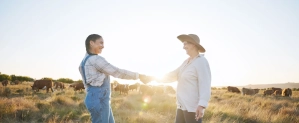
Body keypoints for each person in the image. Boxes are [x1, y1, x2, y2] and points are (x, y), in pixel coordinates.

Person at [79, 34, 151, 123]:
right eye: (100, 43)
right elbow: (117, 72)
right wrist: (138, 76)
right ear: (91, 43)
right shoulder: (96, 59)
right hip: (99, 99)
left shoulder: (83, 61)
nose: (103, 46)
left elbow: (87, 84)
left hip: (95, 98)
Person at [157, 34, 211, 123]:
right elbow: (173, 75)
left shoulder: (201, 61)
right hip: (181, 106)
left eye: (185, 44)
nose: (183, 47)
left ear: (193, 44)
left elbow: (205, 84)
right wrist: (151, 78)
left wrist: (201, 105)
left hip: (193, 108)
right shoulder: (186, 62)